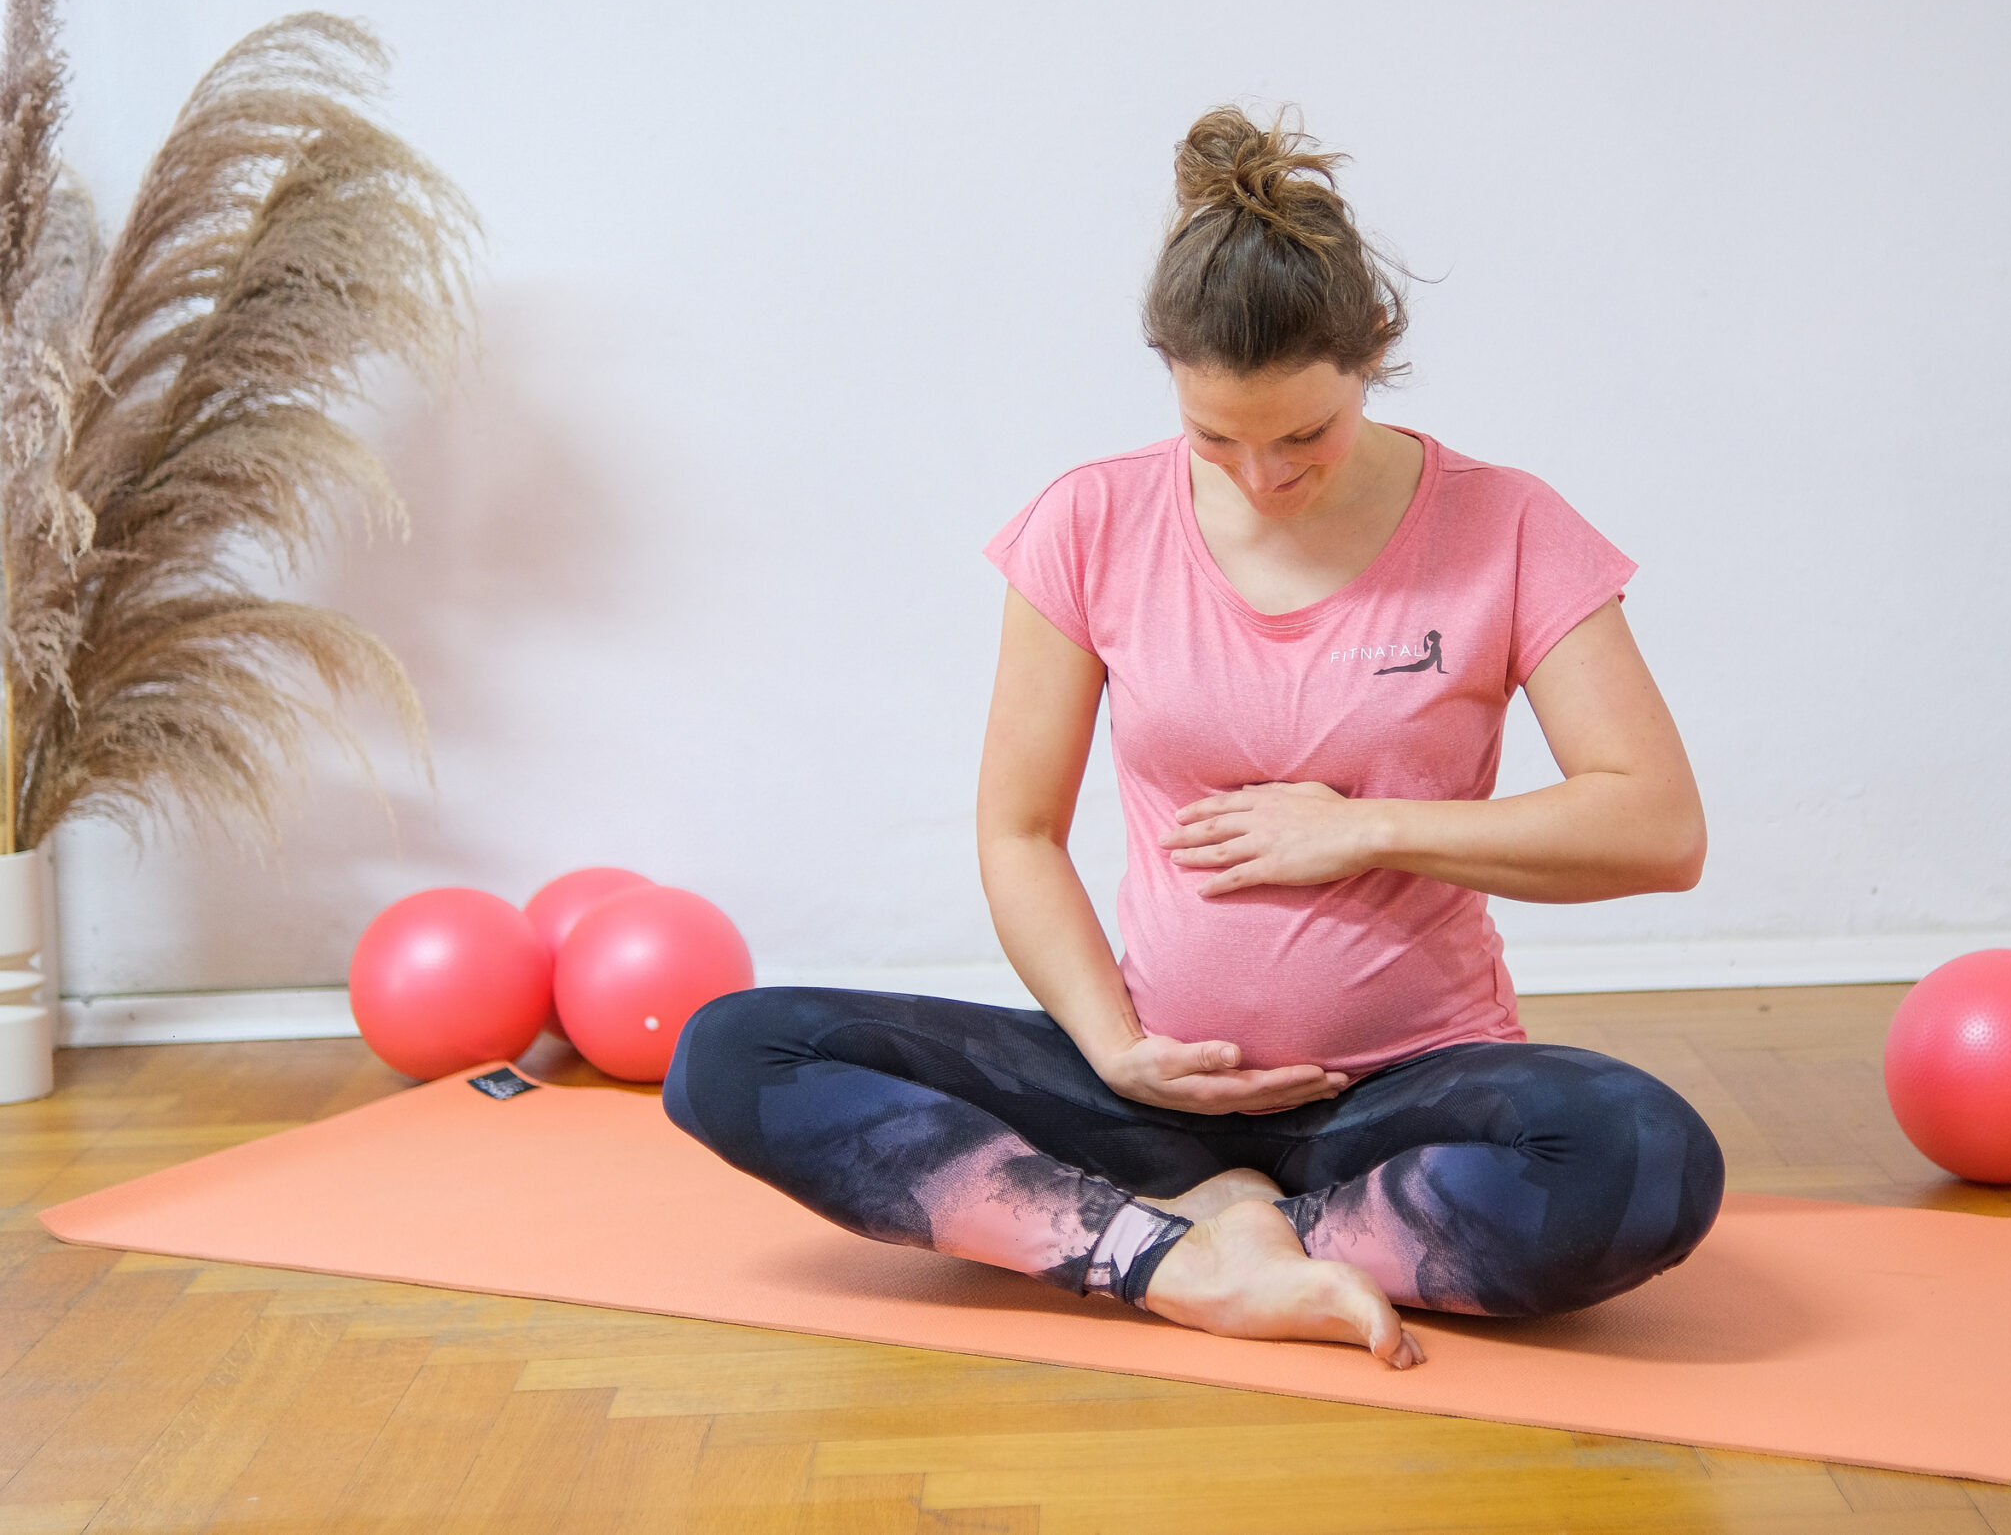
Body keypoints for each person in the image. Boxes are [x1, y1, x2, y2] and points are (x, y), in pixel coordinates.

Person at [667, 108, 1722, 1369]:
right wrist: (1116, 1046)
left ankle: (1241, 1229)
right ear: (1168, 374)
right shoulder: (1089, 521)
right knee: (730, 1051)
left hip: (1398, 1093)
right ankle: (1181, 1253)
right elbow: (1017, 832)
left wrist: (1365, 826)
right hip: (1143, 1087)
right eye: (1216, 438)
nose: (1261, 475)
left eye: (1303, 436)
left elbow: (1657, 826)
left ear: (1371, 358)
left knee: (1643, 1158)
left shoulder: (1506, 526)